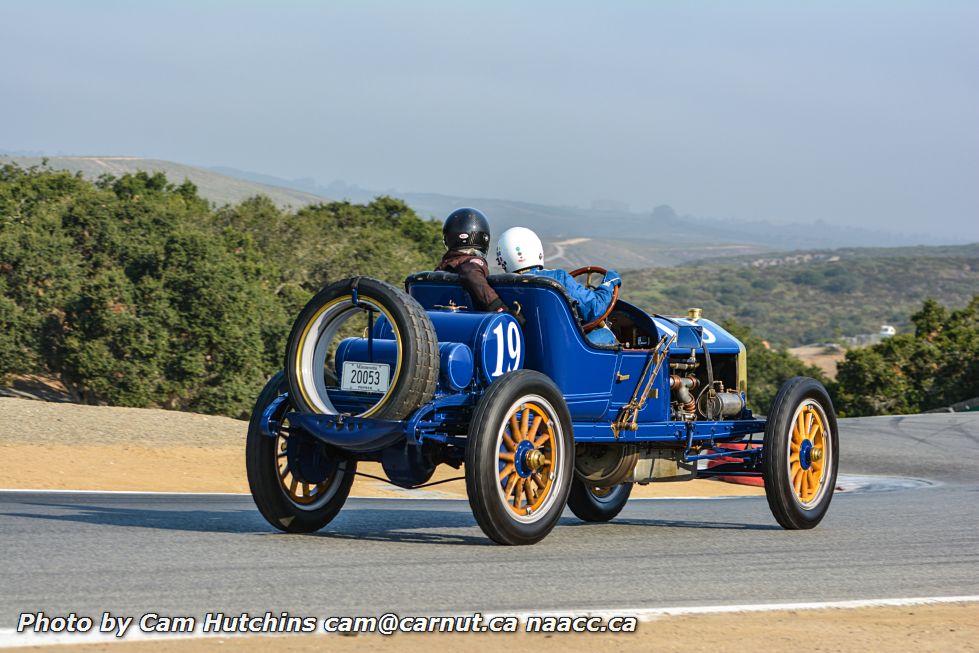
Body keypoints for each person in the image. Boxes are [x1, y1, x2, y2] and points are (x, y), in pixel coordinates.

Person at [495, 226, 620, 344]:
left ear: (502, 259)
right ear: (537, 250)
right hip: (565, 349)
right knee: (605, 334)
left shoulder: (498, 286)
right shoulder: (558, 278)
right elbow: (594, 309)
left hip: (526, 349)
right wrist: (609, 283)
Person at [436, 208, 525, 325]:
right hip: (470, 328)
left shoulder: (440, 270)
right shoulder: (473, 263)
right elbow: (470, 274)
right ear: (483, 239)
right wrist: (500, 309)